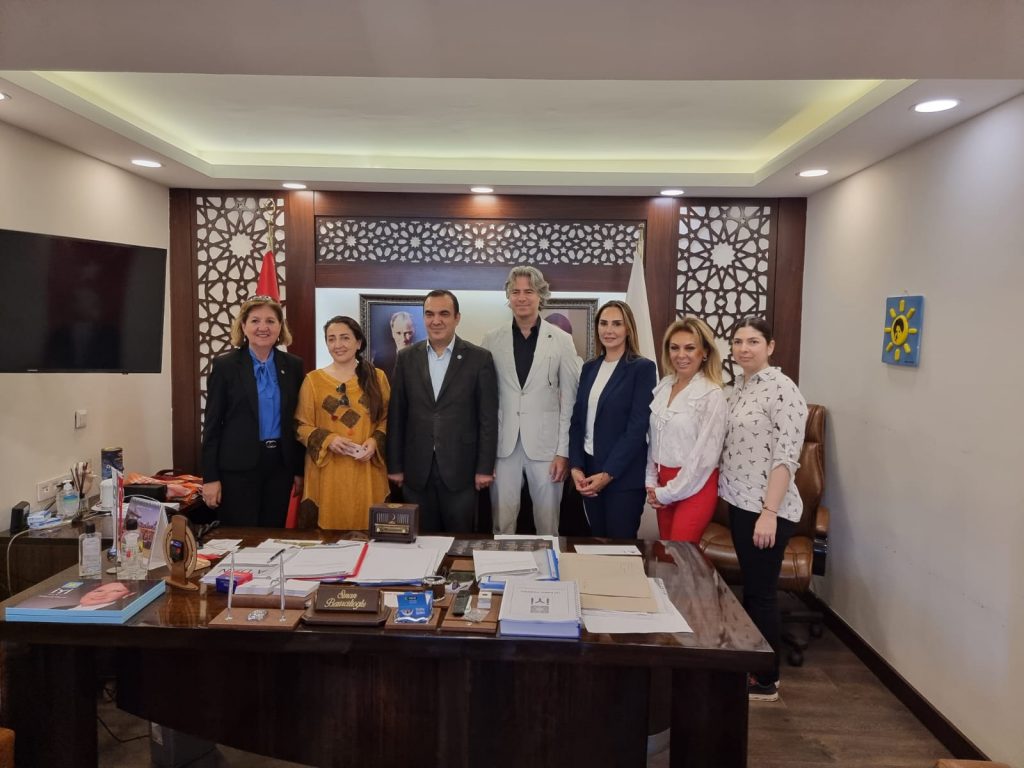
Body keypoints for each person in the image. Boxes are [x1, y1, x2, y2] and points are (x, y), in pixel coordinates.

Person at [719, 316, 808, 703]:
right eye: (738, 341)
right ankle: (751, 663)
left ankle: (766, 678)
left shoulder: (783, 390)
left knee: (761, 594)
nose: (744, 348)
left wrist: (769, 512)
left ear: (770, 346)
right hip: (741, 503)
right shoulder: (738, 386)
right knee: (753, 590)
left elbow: (786, 458)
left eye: (753, 341)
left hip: (767, 509)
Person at [386, 290, 499, 533]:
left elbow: (488, 419)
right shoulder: (406, 358)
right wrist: (394, 465)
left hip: (462, 470)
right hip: (416, 471)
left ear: (457, 318)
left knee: (460, 541)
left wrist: (484, 467)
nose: (436, 320)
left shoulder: (479, 359)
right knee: (420, 542)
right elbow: (396, 415)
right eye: (430, 314)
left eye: (444, 314)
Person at [482, 267, 579, 535]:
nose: (522, 297)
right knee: (502, 524)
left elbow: (570, 401)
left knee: (548, 526)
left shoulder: (562, 340)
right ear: (508, 296)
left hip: (547, 449)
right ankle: (501, 562)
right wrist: (485, 454)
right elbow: (485, 401)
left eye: (529, 291)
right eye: (515, 292)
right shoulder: (491, 339)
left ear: (540, 296)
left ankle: (550, 564)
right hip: (503, 448)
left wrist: (563, 452)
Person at [201, 295, 304, 528]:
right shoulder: (225, 366)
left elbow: (297, 422)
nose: (263, 327)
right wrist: (210, 478)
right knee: (240, 537)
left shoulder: (293, 365)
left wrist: (299, 470)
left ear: (280, 327)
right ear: (243, 326)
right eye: (255, 321)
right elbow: (212, 426)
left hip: (280, 467)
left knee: (273, 535)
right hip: (237, 469)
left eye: (270, 321)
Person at [568, 300, 657, 538]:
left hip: (623, 476)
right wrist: (575, 466)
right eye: (604, 323)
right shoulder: (589, 368)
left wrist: (608, 474)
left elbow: (637, 429)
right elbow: (577, 422)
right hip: (589, 473)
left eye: (617, 324)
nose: (609, 330)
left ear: (628, 329)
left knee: (620, 548)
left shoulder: (643, 368)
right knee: (596, 543)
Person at [296, 316, 390, 529]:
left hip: (367, 470)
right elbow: (300, 426)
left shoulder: (378, 378)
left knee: (370, 534)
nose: (338, 344)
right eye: (332, 339)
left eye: (345, 338)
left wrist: (375, 442)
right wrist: (328, 439)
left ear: (358, 342)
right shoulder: (313, 381)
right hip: (328, 474)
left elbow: (388, 419)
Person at [645, 317, 727, 542]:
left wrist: (667, 492)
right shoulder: (664, 386)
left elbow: (704, 458)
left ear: (705, 352)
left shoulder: (712, 394)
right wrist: (651, 482)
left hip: (695, 486)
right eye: (675, 348)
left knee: (681, 555)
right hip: (662, 483)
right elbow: (654, 439)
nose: (681, 355)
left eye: (690, 348)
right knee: (666, 552)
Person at [373, 310, 416, 375]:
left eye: (408, 333)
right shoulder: (380, 359)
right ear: (392, 333)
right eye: (398, 333)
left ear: (414, 331)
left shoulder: (423, 357)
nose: (403, 339)